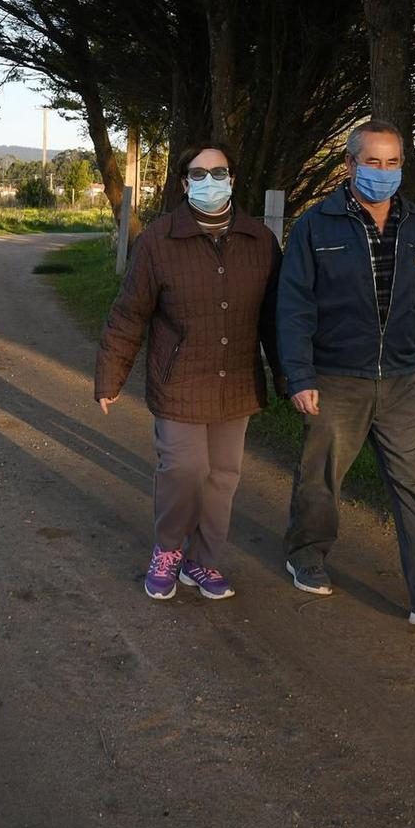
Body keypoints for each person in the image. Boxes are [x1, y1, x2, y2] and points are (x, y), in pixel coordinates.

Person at [276, 120, 415, 627]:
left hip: (401, 380)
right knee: (321, 477)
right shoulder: (314, 226)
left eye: (393, 163)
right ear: (350, 164)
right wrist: (299, 376)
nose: (383, 172)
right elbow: (294, 306)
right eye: (372, 161)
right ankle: (307, 554)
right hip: (335, 376)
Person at [95, 143, 281, 601]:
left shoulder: (261, 241)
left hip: (236, 380)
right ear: (184, 184)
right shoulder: (158, 241)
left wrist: (291, 379)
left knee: (223, 476)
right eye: (198, 175)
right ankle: (168, 550)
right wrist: (110, 377)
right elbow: (128, 314)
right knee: (184, 468)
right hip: (179, 381)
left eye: (218, 173)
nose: (209, 181)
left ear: (233, 180)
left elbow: (277, 319)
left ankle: (202, 561)